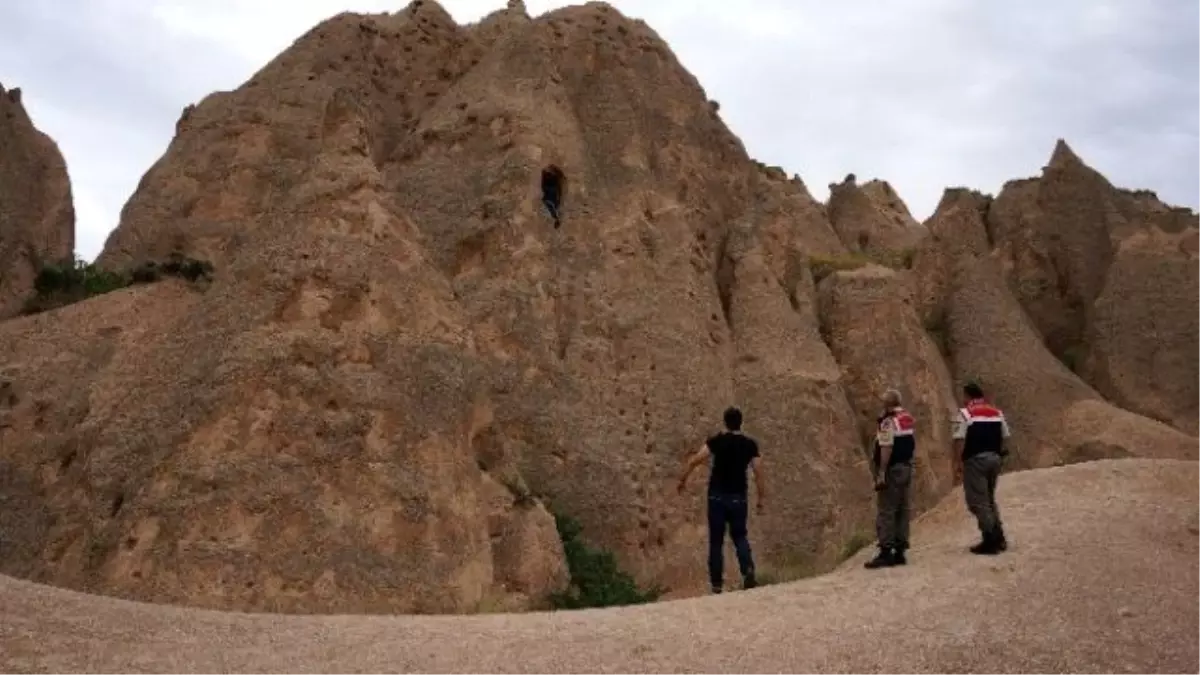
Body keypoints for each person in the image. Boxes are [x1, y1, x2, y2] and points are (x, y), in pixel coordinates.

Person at [676, 407, 765, 593]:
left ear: (725, 422)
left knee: (716, 540)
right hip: (738, 497)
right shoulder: (750, 445)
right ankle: (748, 570)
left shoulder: (716, 441)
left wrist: (682, 479)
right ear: (741, 422)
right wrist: (761, 498)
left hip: (716, 496)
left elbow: (696, 460)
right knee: (740, 535)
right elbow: (758, 473)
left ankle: (716, 584)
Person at [952, 382, 1010, 555]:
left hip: (975, 460)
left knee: (978, 501)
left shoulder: (965, 413)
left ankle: (990, 539)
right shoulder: (996, 412)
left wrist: (958, 462)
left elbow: (959, 439)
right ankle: (999, 538)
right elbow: (1005, 436)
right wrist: (1000, 454)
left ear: (968, 396)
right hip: (995, 458)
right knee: (989, 499)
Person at [864, 389, 916, 569]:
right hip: (906, 467)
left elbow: (886, 447)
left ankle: (886, 551)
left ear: (887, 404)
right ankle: (900, 551)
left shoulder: (888, 422)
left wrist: (881, 473)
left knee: (887, 510)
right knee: (902, 508)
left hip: (892, 470)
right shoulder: (907, 418)